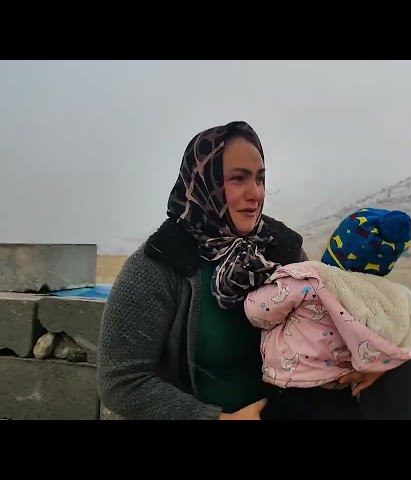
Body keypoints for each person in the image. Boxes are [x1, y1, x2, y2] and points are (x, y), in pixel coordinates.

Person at [96, 120, 383, 420]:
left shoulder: (282, 249)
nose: (255, 194)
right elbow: (121, 381)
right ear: (204, 182)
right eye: (238, 179)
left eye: (260, 179)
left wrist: (373, 358)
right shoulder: (159, 263)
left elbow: (323, 322)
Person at [244, 207, 411, 420]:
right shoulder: (380, 299)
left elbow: (257, 312)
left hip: (294, 391)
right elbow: (400, 335)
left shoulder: (310, 280)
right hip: (340, 394)